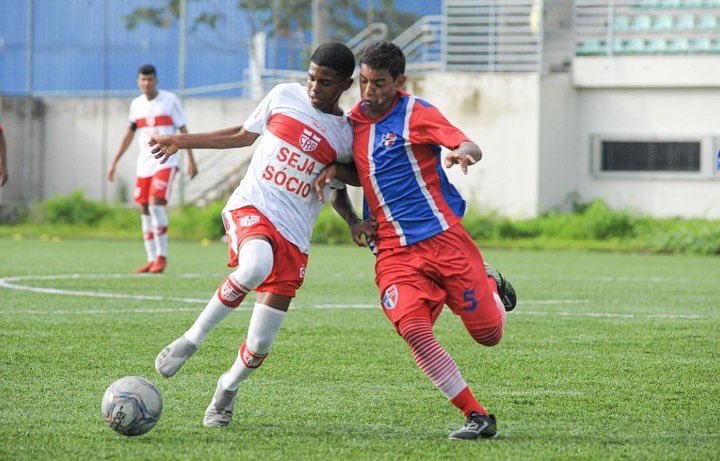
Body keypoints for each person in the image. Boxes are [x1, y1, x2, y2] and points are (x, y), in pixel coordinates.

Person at [148, 42, 372, 427]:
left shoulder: (346, 135)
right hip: (253, 206)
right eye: (311, 78)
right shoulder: (284, 96)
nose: (314, 88)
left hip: (295, 235)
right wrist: (181, 141)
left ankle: (226, 390)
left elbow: (337, 187)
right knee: (254, 265)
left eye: (325, 82)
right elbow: (240, 134)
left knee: (260, 343)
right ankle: (191, 339)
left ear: (346, 85)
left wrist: (352, 221)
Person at [314, 41, 517, 441]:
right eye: (365, 83)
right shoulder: (353, 122)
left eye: (380, 84)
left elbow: (466, 143)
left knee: (488, 335)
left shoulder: (416, 114)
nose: (370, 92)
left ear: (400, 81)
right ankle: (477, 415)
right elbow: (364, 172)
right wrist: (352, 214)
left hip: (444, 241)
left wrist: (463, 155)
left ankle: (489, 282)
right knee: (413, 329)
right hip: (393, 252)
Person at [107, 64, 198, 273]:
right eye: (142, 80)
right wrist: (114, 162)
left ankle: (162, 257)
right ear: (138, 82)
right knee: (145, 209)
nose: (146, 84)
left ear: (156, 81)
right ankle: (151, 258)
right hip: (145, 163)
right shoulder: (136, 105)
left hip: (166, 161)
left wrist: (191, 160)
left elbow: (183, 130)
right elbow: (129, 134)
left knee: (156, 203)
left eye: (149, 80)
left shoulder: (170, 100)